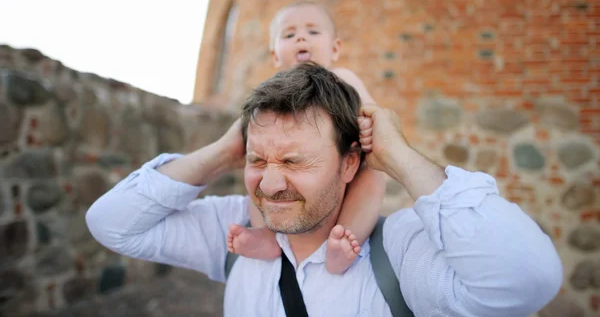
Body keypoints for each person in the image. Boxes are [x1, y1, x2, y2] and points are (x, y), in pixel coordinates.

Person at [86, 63, 562, 317]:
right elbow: (111, 223)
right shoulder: (232, 232)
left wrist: (397, 156)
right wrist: (223, 152)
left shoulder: (396, 253)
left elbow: (525, 280)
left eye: (294, 161)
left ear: (350, 161)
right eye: (258, 161)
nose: (269, 185)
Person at [227, 0, 386, 274]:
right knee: (260, 171)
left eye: (313, 32)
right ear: (275, 55)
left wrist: (369, 125)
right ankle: (265, 235)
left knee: (374, 175)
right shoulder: (272, 90)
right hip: (285, 166)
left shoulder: (342, 77)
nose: (301, 37)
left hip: (344, 163)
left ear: (335, 48)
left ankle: (347, 238)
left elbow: (373, 112)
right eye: (289, 35)